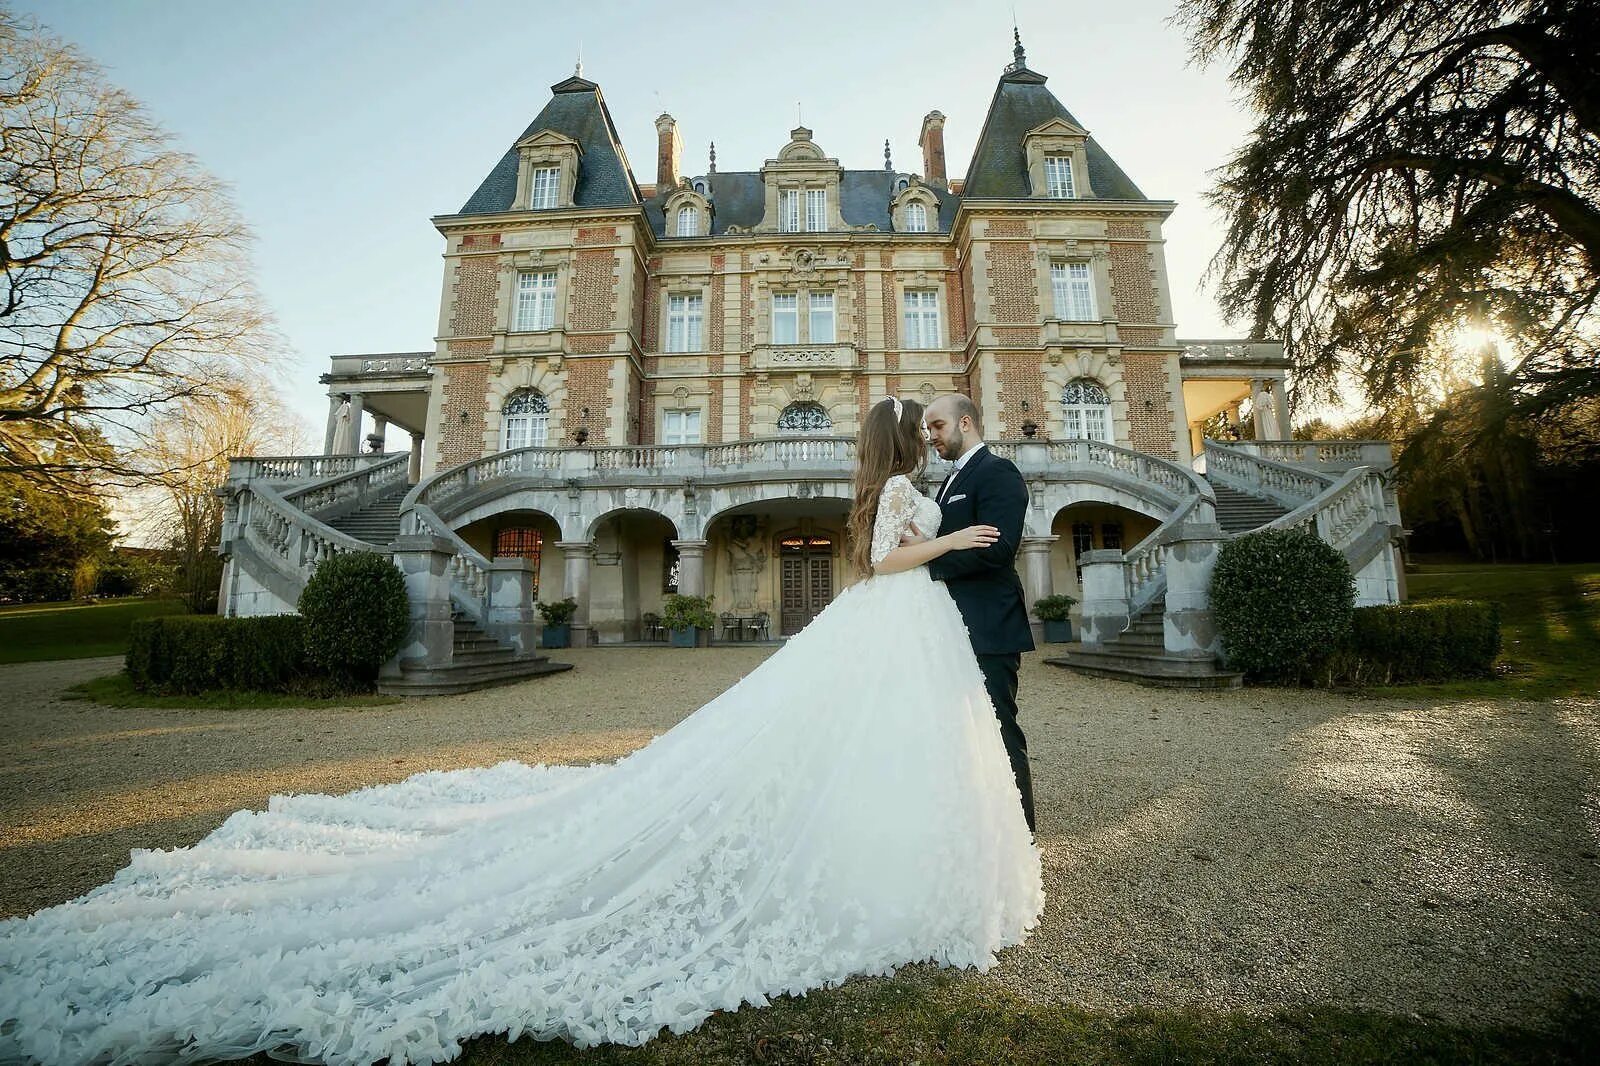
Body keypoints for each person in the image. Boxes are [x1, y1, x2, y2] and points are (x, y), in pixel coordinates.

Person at [0, 396, 1042, 1066]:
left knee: (854, 739)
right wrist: (949, 536)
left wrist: (941, 532)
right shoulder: (909, 488)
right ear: (907, 443)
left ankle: (866, 841)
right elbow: (895, 559)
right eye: (922, 426)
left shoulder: (884, 483)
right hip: (901, 613)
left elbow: (876, 554)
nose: (929, 433)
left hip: (892, 627)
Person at [920, 395, 1038, 833]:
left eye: (937, 427)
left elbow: (998, 548)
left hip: (990, 628)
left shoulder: (997, 472)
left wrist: (925, 566)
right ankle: (980, 833)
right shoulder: (949, 481)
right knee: (961, 736)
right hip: (951, 630)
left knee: (1000, 733)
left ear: (965, 423)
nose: (930, 437)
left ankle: (1020, 842)